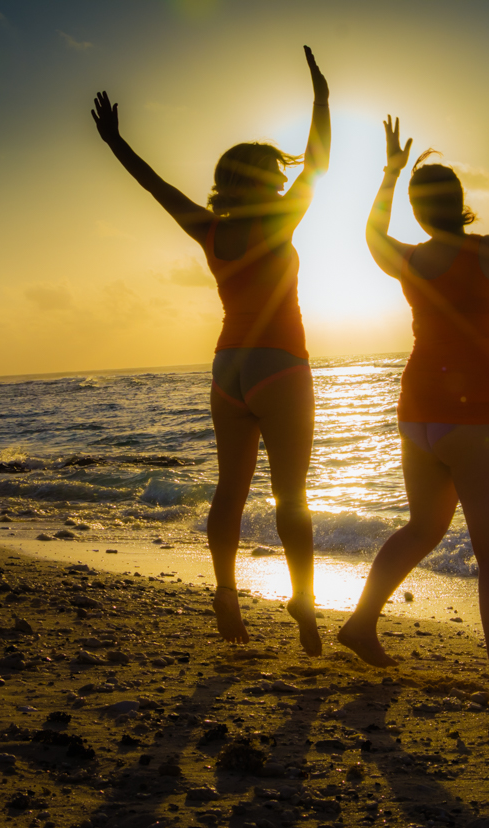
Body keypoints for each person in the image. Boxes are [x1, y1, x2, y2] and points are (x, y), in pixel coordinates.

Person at [91, 47, 331, 652]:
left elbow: (156, 185)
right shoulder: (281, 219)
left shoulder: (209, 228)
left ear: (224, 186)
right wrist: (322, 101)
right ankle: (301, 597)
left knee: (231, 489)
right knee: (291, 493)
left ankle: (226, 594)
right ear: (269, 180)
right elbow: (320, 163)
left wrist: (116, 142)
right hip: (281, 361)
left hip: (229, 368)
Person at [337, 117, 489, 704]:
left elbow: (369, 234)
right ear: (462, 204)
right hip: (480, 416)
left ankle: (362, 623)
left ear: (418, 212)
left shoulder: (409, 261)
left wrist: (389, 174)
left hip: (417, 413)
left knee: (423, 526)